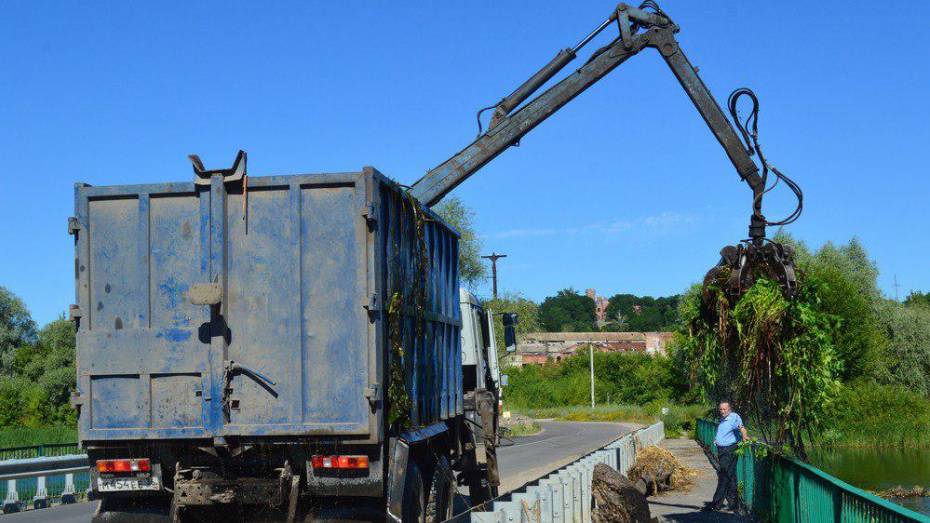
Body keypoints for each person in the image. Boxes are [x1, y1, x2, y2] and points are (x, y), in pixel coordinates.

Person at [704, 401, 748, 513]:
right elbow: (725, 432)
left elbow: (742, 428)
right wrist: (717, 440)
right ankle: (733, 503)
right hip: (723, 450)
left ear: (729, 409)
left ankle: (716, 504)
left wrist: (744, 439)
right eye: (721, 409)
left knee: (723, 475)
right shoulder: (724, 419)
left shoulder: (734, 417)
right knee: (730, 475)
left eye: (725, 409)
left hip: (729, 450)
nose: (722, 411)